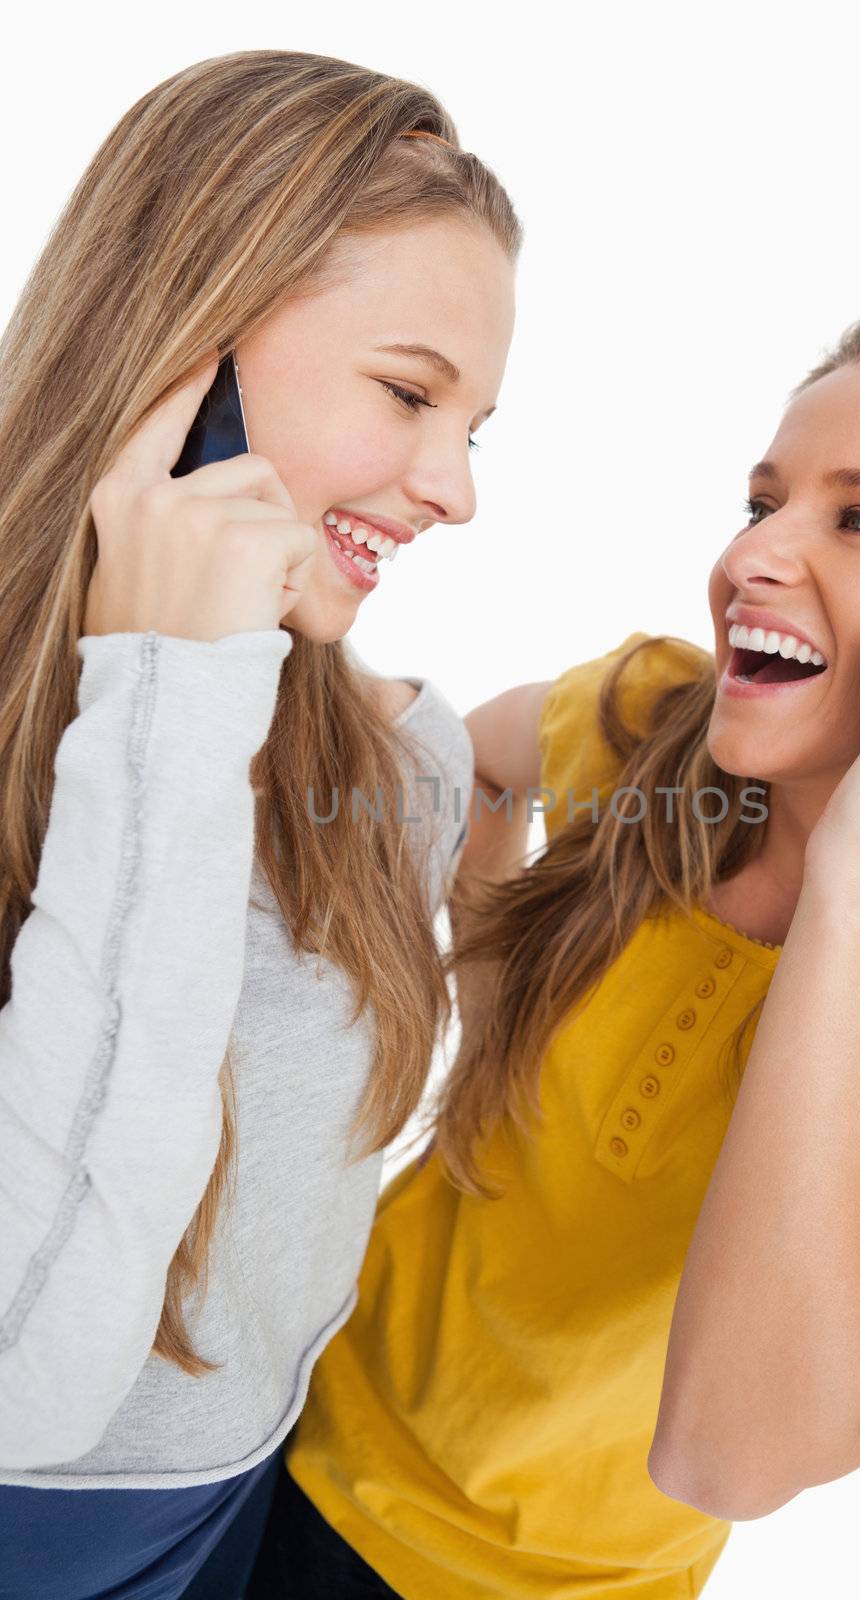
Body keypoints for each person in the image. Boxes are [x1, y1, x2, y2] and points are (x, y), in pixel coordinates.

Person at [251, 308, 860, 1600]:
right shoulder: (645, 725)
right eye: (761, 500)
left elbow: (729, 1458)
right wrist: (483, 996)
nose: (753, 555)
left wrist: (857, 884)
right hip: (283, 1434)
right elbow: (459, 763)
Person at [0, 47, 518, 1600]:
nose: (454, 488)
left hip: (245, 1496)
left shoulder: (397, 760)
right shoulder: (151, 724)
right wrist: (162, 692)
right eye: (410, 392)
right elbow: (30, 1365)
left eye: (477, 425)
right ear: (189, 354)